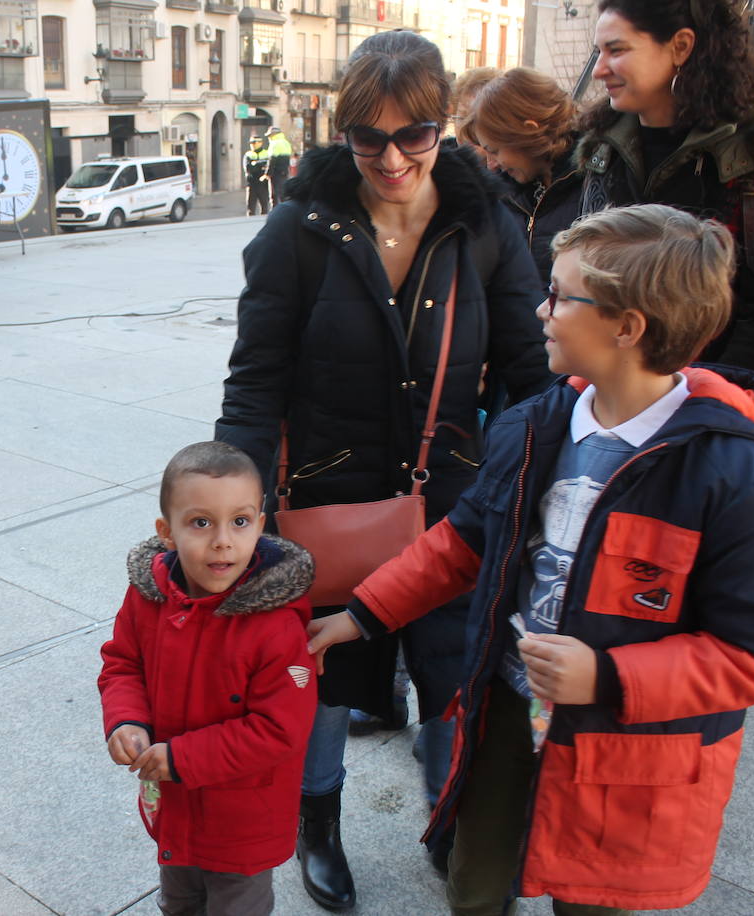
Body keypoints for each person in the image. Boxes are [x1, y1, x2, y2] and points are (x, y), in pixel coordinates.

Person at [309, 203, 754, 914]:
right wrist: (363, 614)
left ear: (627, 327)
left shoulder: (734, 473)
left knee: (592, 897)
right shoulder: (538, 423)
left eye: (560, 295)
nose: (540, 309)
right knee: (475, 881)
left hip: (626, 754)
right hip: (505, 709)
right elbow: (463, 541)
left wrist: (611, 675)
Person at [214, 30, 553, 910]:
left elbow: (527, 372)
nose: (392, 157)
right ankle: (316, 823)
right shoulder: (297, 231)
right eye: (370, 137)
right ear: (343, 131)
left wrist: (519, 483)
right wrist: (237, 511)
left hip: (451, 499)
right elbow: (255, 381)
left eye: (416, 134)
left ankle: (447, 821)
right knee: (323, 674)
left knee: (450, 669)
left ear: (445, 126)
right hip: (326, 493)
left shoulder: (485, 227)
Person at [99, 441, 317, 916]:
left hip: (242, 821)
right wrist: (126, 720)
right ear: (167, 533)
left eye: (239, 522)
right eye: (201, 522)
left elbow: (280, 728)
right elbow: (122, 664)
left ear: (260, 526)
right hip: (173, 805)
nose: (223, 540)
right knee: (178, 899)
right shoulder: (149, 598)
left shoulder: (276, 627)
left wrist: (182, 757)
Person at [579, 0, 754, 379]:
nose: (600, 70)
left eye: (616, 50)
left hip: (718, 402)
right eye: (598, 52)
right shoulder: (600, 149)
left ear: (681, 47)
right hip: (611, 395)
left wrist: (704, 405)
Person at [465, 67, 583, 288]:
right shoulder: (504, 193)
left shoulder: (594, 185)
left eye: (495, 150)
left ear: (528, 132)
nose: (491, 164)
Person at [451, 66, 499, 168]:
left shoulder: (516, 174)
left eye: (476, 119)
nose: (466, 128)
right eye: (462, 117)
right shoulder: (437, 164)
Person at [265, 126, 294, 205]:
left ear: (272, 135)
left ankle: (274, 212)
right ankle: (286, 210)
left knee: (273, 194)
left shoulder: (274, 144)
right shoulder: (286, 143)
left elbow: (272, 160)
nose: (268, 138)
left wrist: (268, 173)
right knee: (283, 193)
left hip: (275, 173)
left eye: (269, 136)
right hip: (284, 171)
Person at [245, 135, 272, 216]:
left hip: (263, 184)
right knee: (250, 209)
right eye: (251, 143)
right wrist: (261, 166)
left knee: (264, 207)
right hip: (251, 184)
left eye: (254, 143)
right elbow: (248, 168)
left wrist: (255, 164)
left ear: (260, 143)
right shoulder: (248, 154)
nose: (252, 145)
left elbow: (268, 167)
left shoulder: (267, 153)